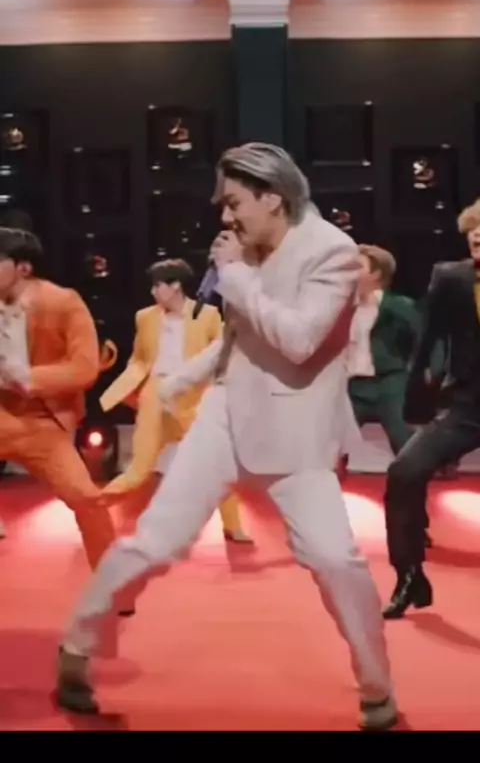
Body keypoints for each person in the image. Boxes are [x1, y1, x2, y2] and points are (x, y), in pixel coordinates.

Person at [57, 143, 396, 731]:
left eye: (234, 203)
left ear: (274, 198)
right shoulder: (247, 249)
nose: (225, 216)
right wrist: (183, 380)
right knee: (153, 541)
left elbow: (299, 340)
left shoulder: (333, 253)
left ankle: (377, 686)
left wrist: (236, 276)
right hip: (223, 417)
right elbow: (235, 340)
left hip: (296, 432)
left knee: (335, 559)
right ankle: (76, 648)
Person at [99, 257, 252, 544]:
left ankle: (233, 526)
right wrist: (131, 390)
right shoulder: (145, 317)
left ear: (176, 286)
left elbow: (220, 356)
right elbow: (139, 359)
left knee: (216, 464)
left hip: (192, 395)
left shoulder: (207, 315)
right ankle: (94, 509)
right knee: (138, 469)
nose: (153, 291)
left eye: (158, 285)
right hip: (155, 393)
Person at [383, 198, 480, 619]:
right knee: (403, 472)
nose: (477, 235)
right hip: (466, 404)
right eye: (473, 229)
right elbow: (426, 341)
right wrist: (417, 401)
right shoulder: (451, 277)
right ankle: (409, 576)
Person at [0, 227, 116, 570]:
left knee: (87, 499)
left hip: (42, 423)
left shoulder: (63, 303)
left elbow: (84, 368)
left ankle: (112, 584)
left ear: (23, 267)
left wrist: (29, 378)